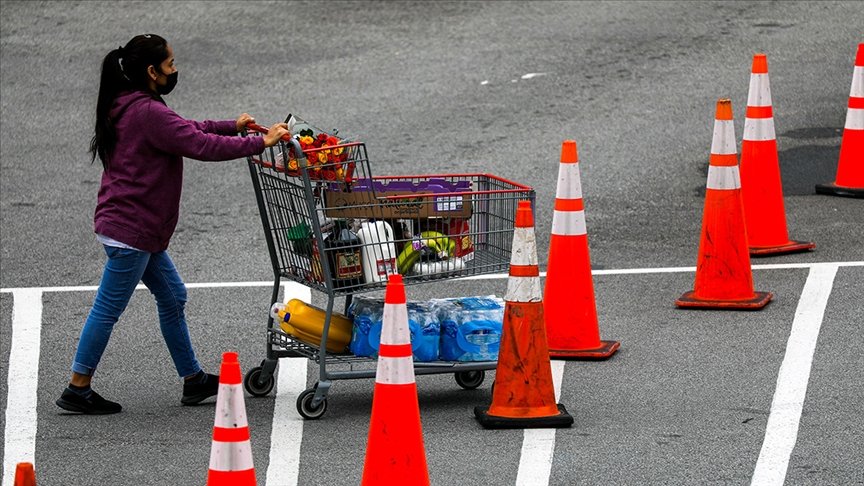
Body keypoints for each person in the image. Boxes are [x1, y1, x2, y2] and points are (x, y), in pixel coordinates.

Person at [56, 34, 289, 415]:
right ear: (152, 71)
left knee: (173, 296)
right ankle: (77, 387)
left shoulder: (129, 104)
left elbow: (188, 128)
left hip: (132, 227)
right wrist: (259, 143)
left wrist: (233, 126)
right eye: (171, 64)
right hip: (133, 231)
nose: (175, 70)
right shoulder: (148, 112)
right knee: (108, 309)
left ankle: (193, 381)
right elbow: (200, 145)